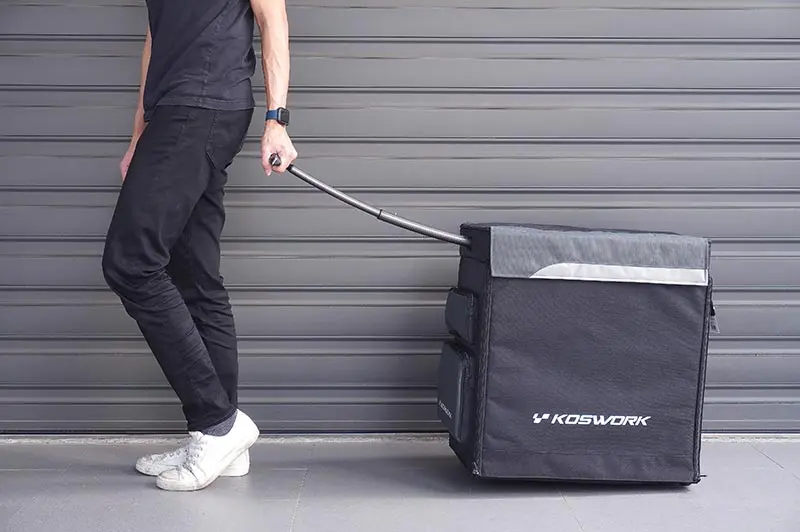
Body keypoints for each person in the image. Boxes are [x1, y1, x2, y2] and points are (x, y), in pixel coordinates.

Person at [101, 0, 297, 492]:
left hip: (204, 104)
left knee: (130, 263)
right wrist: (138, 135)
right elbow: (156, 37)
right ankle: (220, 443)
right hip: (177, 110)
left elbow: (273, 17)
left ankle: (217, 423)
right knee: (195, 274)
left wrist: (277, 118)